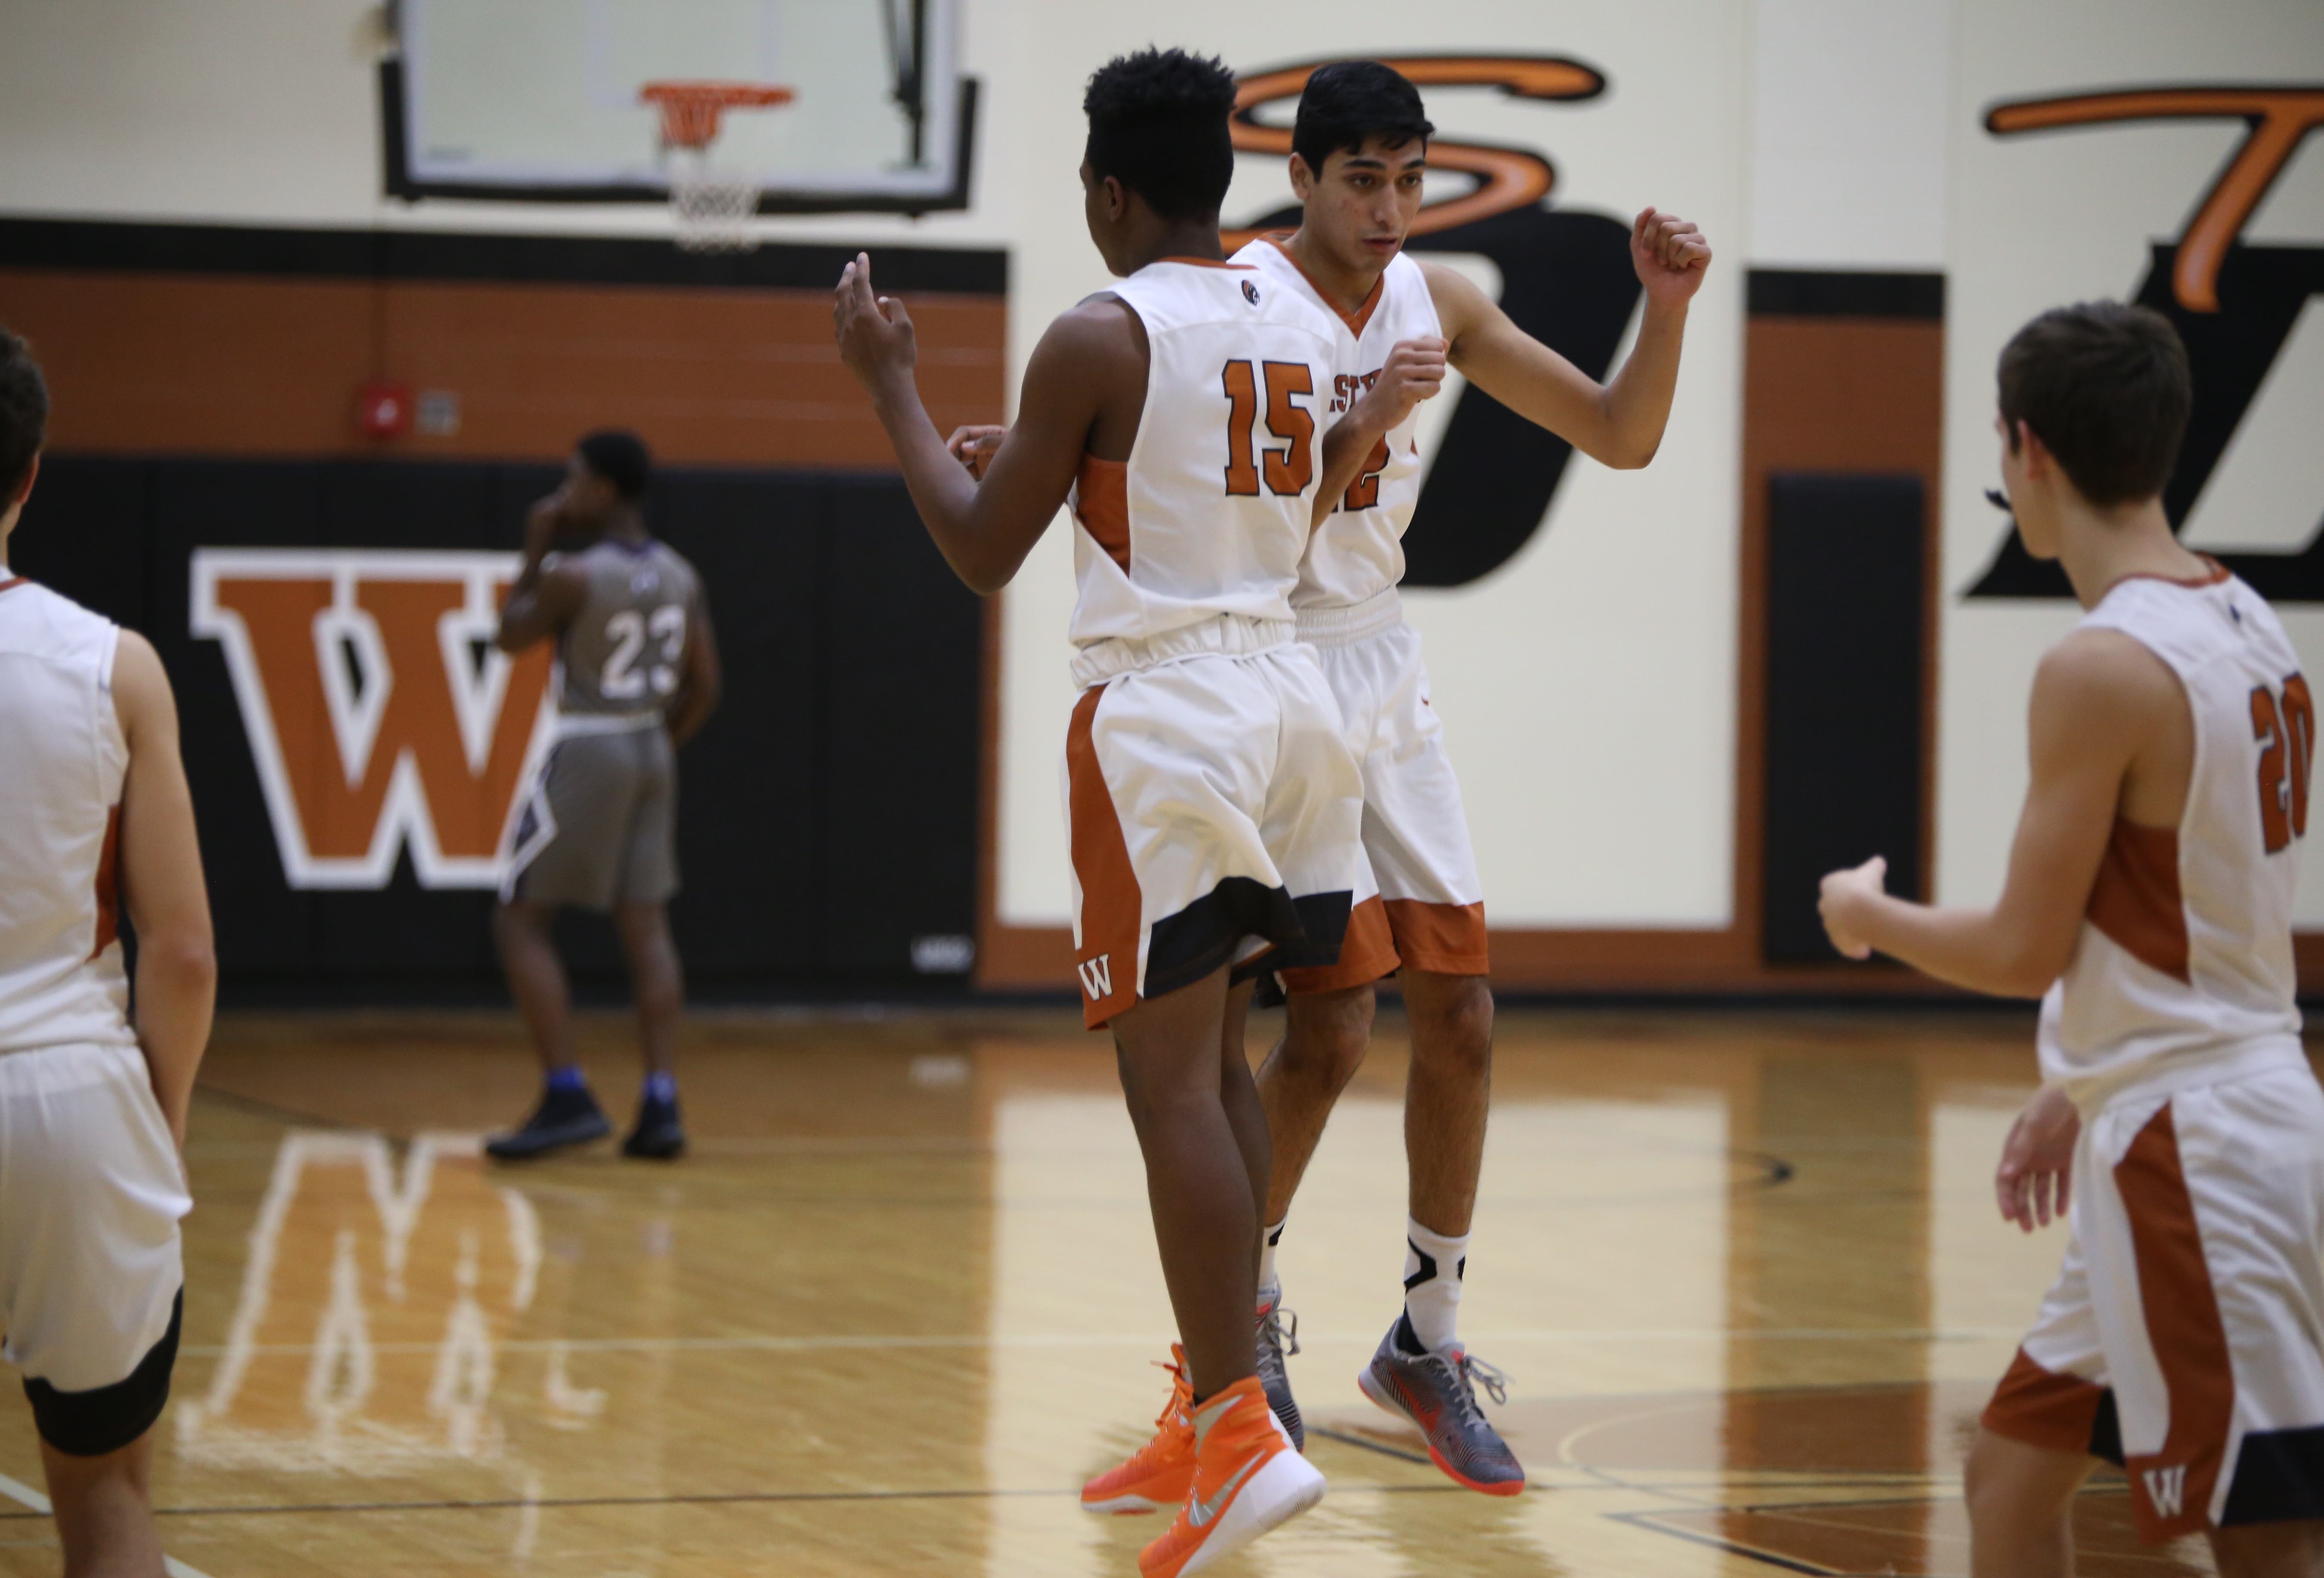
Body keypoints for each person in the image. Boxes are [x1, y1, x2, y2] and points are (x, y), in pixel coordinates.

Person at [955, 59, 1702, 1495]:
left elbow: (1621, 433)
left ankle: (1426, 1333)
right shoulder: (1228, 296)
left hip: (1378, 665)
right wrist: (1045, 462)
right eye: (1364, 177)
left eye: (1412, 179)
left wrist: (1663, 308)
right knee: (1329, 1031)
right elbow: (1179, 497)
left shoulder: (1446, 303)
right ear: (1296, 178)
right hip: (1263, 663)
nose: (1391, 207)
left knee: (1464, 1011)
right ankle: (1237, 1335)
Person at [834, 48, 1433, 1578]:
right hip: (1293, 697)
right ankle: (1223, 1408)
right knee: (1225, 1067)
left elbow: (981, 550)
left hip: (1166, 717)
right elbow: (1273, 500)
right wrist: (1063, 467)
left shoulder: (1096, 329)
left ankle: (1239, 1420)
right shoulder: (1288, 313)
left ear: (1108, 190)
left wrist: (892, 386)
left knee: (1171, 1089)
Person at [1820, 302, 2324, 1578]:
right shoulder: (2248, 616)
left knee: (2263, 1538)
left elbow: (2018, 952)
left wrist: (1864, 917)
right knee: (2008, 1478)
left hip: (2196, 1151)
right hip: (2185, 1105)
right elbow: (2201, 899)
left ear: (2026, 450)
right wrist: (2079, 1078)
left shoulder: (2101, 665)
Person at [0, 314, 216, 1574]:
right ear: (32, 470)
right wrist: (152, 1113)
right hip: (73, 1090)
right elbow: (182, 953)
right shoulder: (115, 666)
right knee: (107, 1492)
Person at [485, 430, 721, 1164]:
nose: (564, 494)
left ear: (604, 492)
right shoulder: (681, 574)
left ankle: (565, 1094)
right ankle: (660, 1104)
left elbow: (506, 637)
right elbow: (707, 688)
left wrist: (534, 540)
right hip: (652, 744)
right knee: (646, 927)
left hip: (590, 743)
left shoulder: (572, 574)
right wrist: (653, 749)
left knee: (520, 921)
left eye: (574, 481)